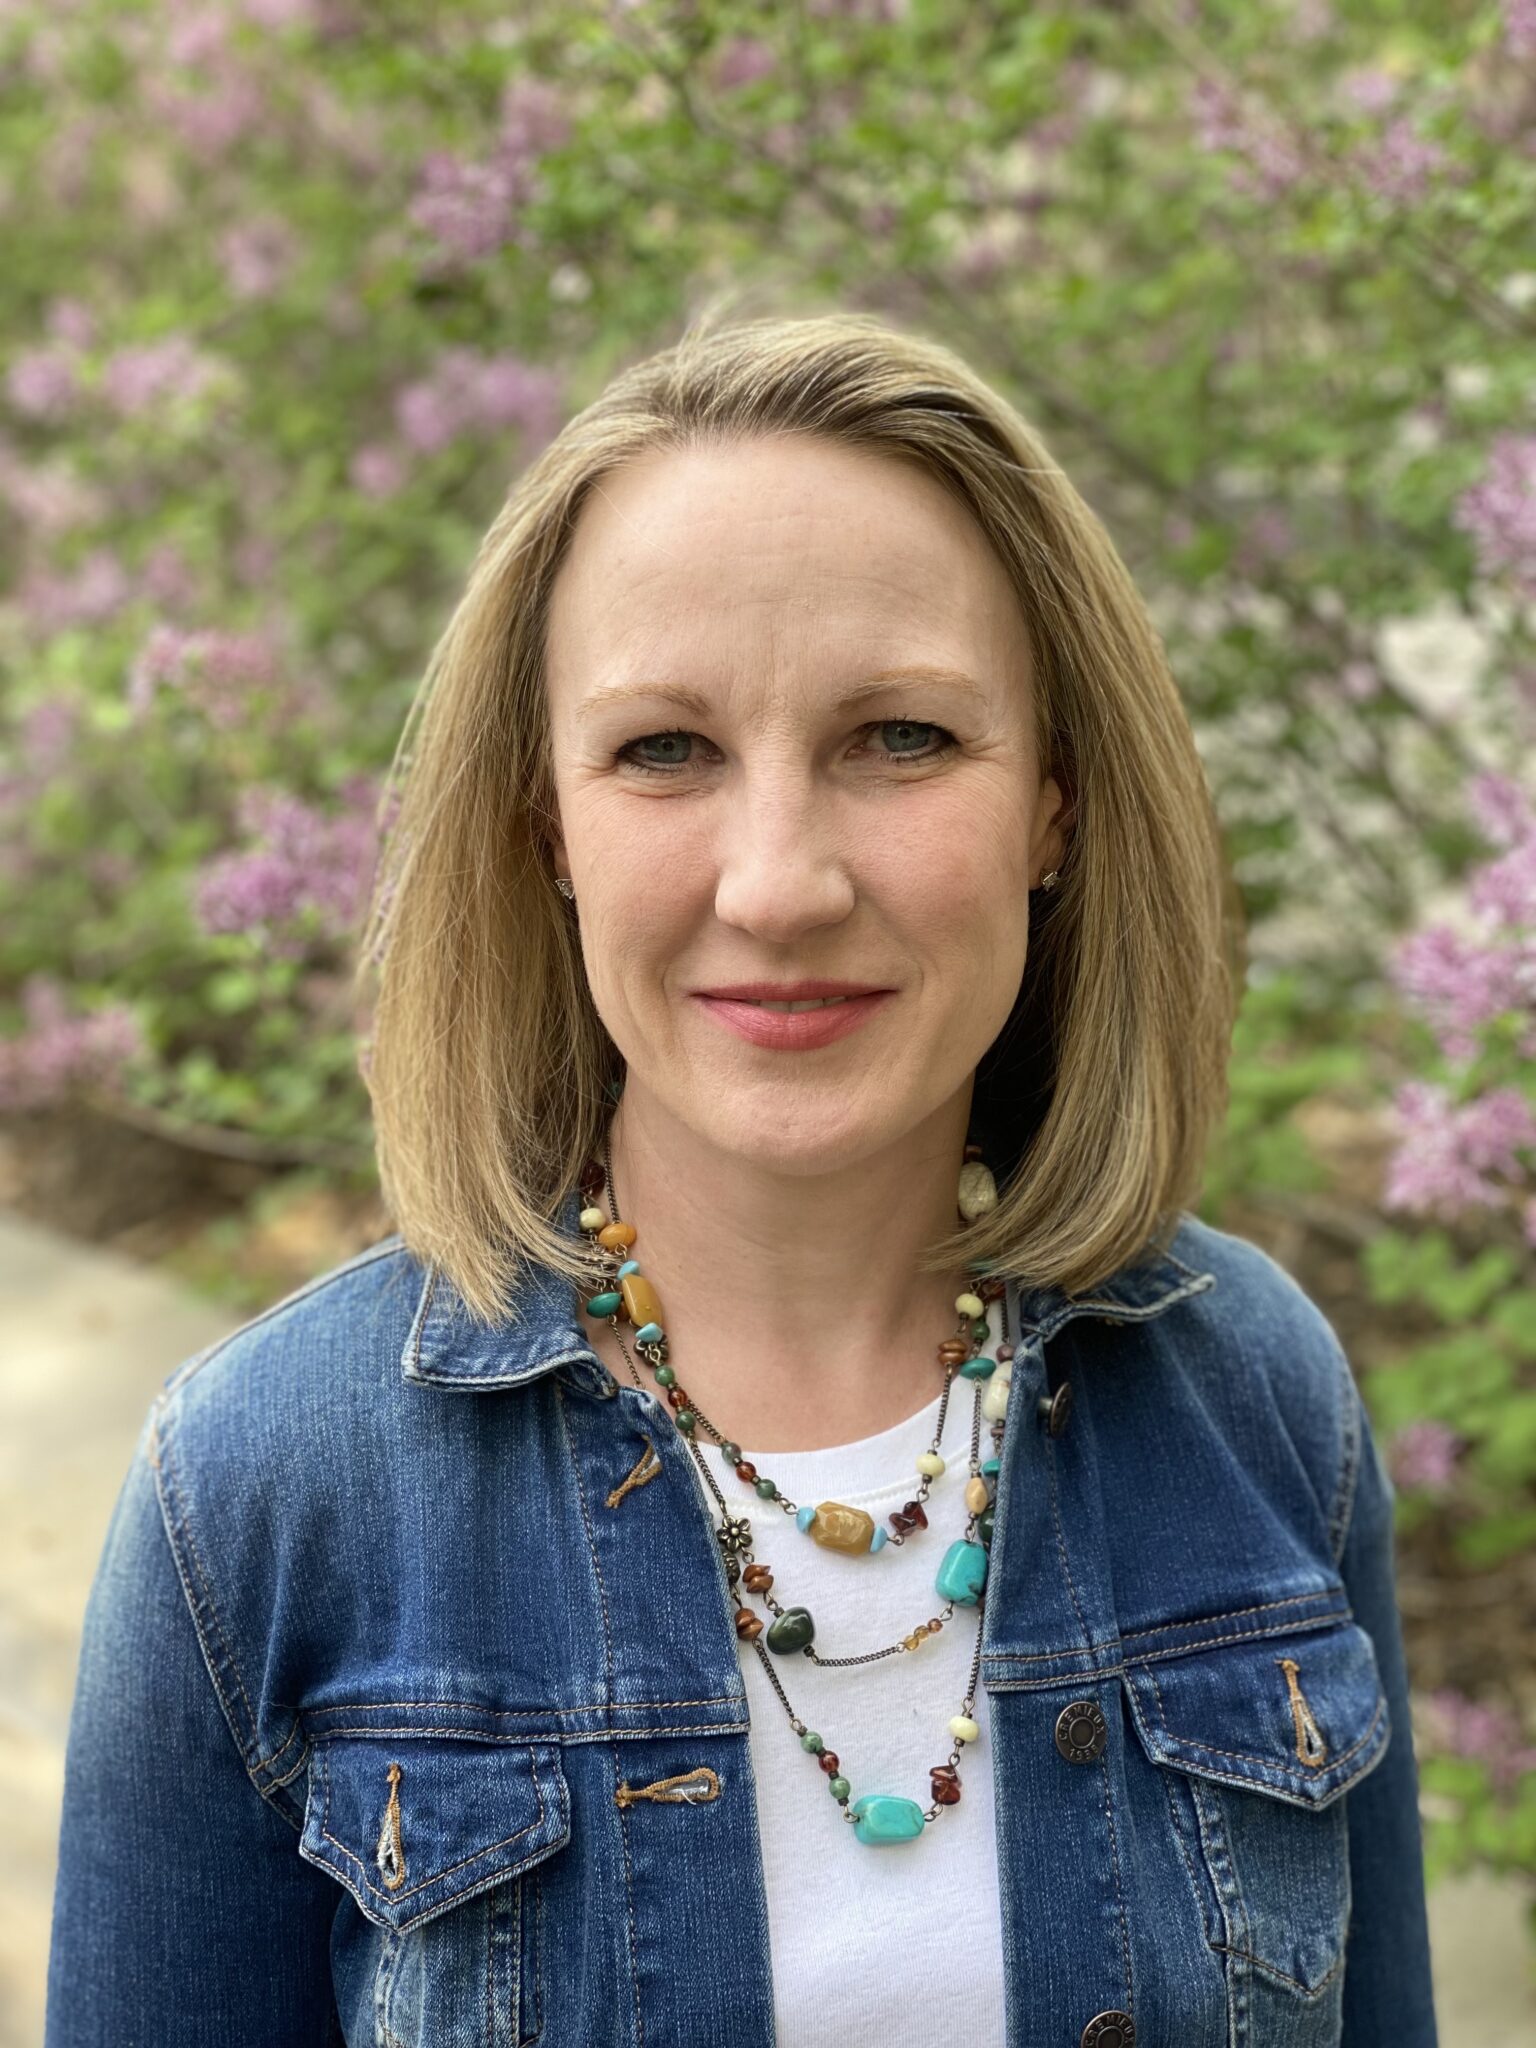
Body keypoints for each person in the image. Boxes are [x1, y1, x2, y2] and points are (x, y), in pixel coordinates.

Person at [46, 309, 1439, 2047]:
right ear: (549, 830)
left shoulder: (1260, 1399)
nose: (778, 883)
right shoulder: (257, 1497)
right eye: (663, 750)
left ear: (1057, 808)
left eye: (903, 737)